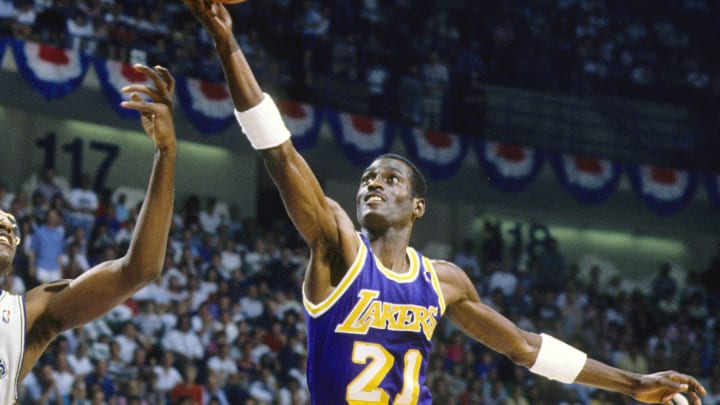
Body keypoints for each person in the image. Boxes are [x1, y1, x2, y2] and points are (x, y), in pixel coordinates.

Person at [183, 2, 707, 404]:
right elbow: (280, 154)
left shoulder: (444, 281)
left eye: (390, 179)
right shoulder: (338, 243)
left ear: (418, 207)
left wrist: (631, 382)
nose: (373, 185)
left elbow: (525, 349)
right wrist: (228, 45)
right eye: (367, 178)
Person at [0, 64, 177, 405]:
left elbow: (139, 270)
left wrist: (166, 153)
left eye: (11, 226)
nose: (7, 227)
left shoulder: (28, 314)